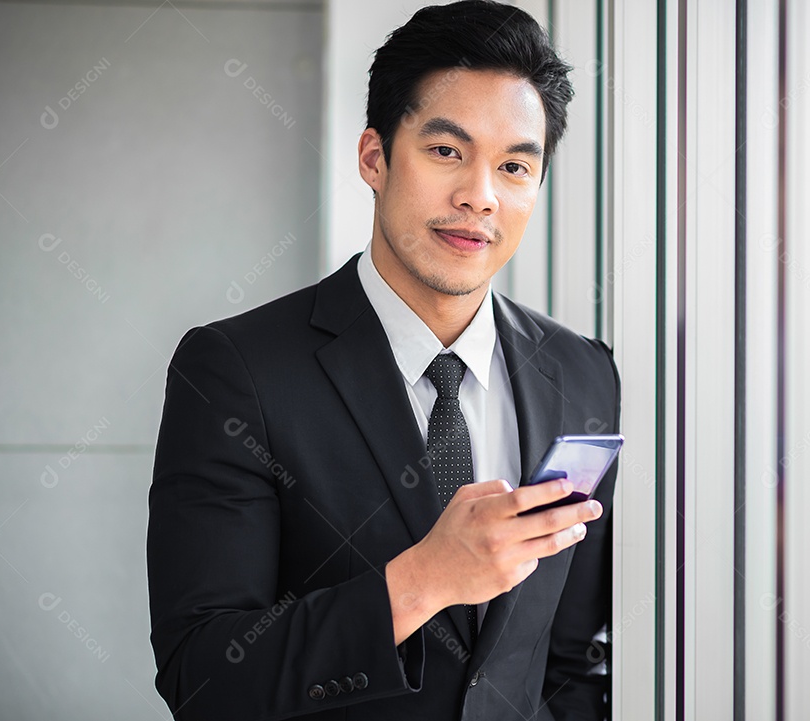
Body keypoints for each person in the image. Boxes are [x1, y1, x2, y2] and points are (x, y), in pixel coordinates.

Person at [146, 2, 620, 719]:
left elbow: (571, 656)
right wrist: (420, 580)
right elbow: (204, 676)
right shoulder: (235, 372)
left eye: (516, 165)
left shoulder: (583, 373)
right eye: (447, 151)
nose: (479, 197)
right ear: (374, 157)